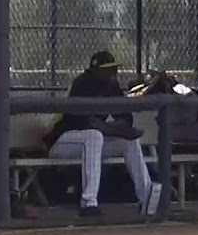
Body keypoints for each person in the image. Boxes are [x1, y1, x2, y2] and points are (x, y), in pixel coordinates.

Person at [45, 51, 159, 219]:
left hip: (89, 142)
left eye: (114, 69)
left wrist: (116, 129)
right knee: (94, 136)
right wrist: (114, 129)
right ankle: (89, 203)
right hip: (62, 142)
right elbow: (85, 124)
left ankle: (146, 198)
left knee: (129, 142)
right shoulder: (81, 84)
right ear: (95, 70)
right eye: (108, 69)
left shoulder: (111, 86)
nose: (113, 73)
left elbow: (126, 118)